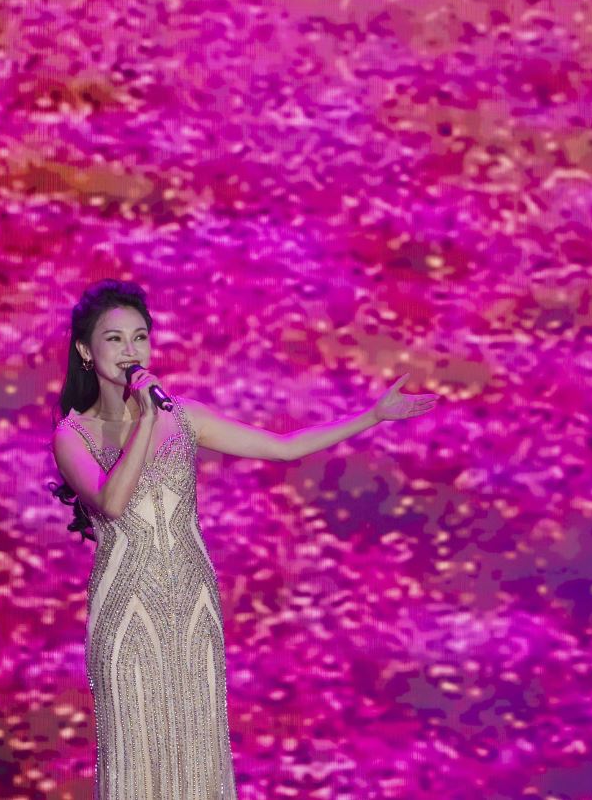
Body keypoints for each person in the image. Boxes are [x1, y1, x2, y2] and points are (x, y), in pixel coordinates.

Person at [48, 279, 438, 800]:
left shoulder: (183, 417)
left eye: (139, 337)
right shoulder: (73, 434)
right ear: (85, 350)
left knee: (197, 747)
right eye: (114, 339)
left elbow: (283, 448)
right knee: (136, 751)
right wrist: (145, 421)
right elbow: (113, 502)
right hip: (127, 612)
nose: (130, 351)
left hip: (192, 607)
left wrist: (371, 416)